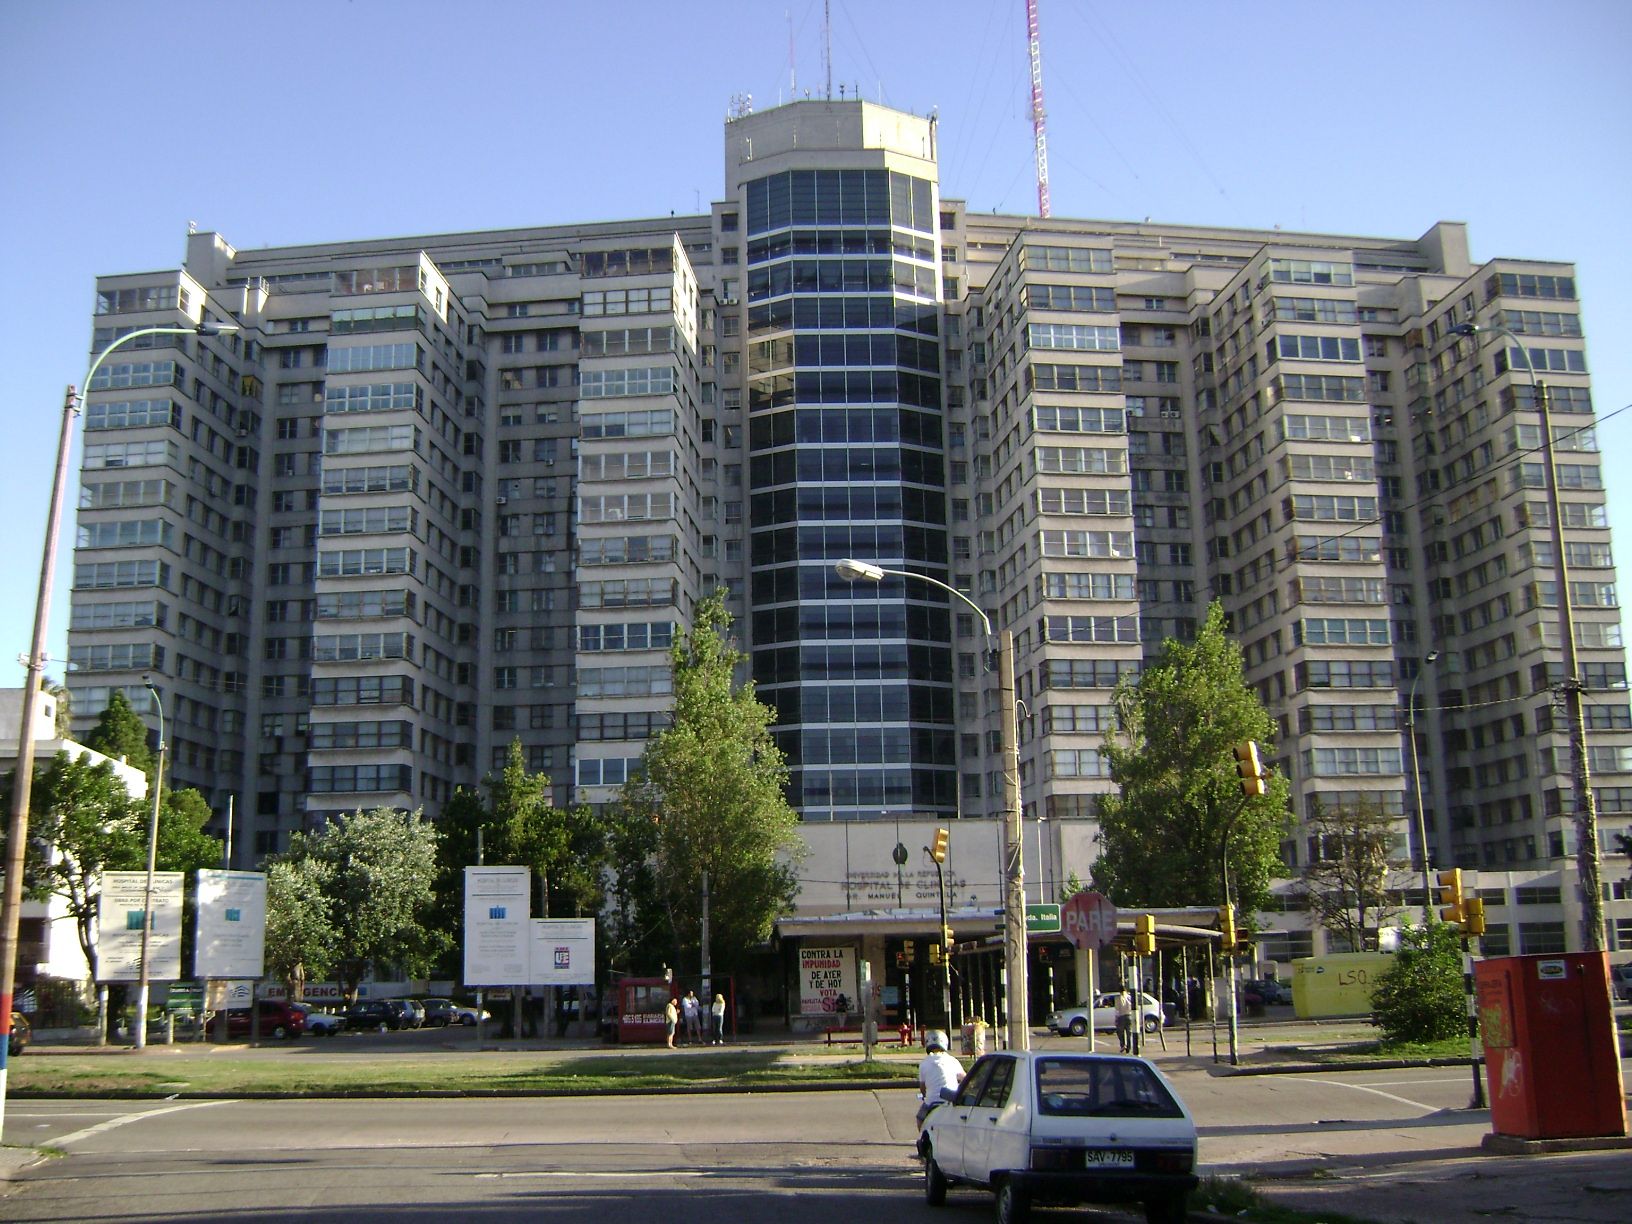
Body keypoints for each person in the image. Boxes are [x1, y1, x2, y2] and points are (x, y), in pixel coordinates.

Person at [916, 1030, 965, 1127]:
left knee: (920, 1119)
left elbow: (922, 1088)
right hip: (951, 1099)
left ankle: (922, 1138)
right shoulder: (952, 1060)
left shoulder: (924, 1063)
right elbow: (965, 1078)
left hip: (932, 1102)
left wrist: (924, 1095)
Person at [1114, 986, 1134, 1053]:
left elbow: (1117, 1010)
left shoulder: (1118, 998)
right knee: (1129, 1033)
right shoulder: (1130, 997)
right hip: (1129, 1016)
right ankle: (1129, 1047)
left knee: (1120, 1032)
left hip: (1121, 1016)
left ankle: (1123, 1045)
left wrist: (1116, 1019)